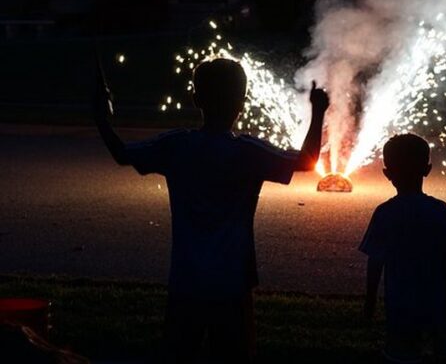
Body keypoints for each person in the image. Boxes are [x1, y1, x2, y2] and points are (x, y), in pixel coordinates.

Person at [93, 58, 329, 363]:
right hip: (232, 283)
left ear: (195, 99)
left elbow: (122, 154)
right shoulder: (248, 151)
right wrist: (319, 111)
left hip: (186, 280)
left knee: (179, 352)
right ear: (242, 104)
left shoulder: (176, 146)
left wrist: (101, 116)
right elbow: (308, 160)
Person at [359, 134, 446, 363]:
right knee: (443, 351)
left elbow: (375, 262)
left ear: (387, 174)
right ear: (427, 169)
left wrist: (369, 302)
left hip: (400, 303)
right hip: (437, 301)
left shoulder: (384, 213)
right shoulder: (439, 210)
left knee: (402, 354)